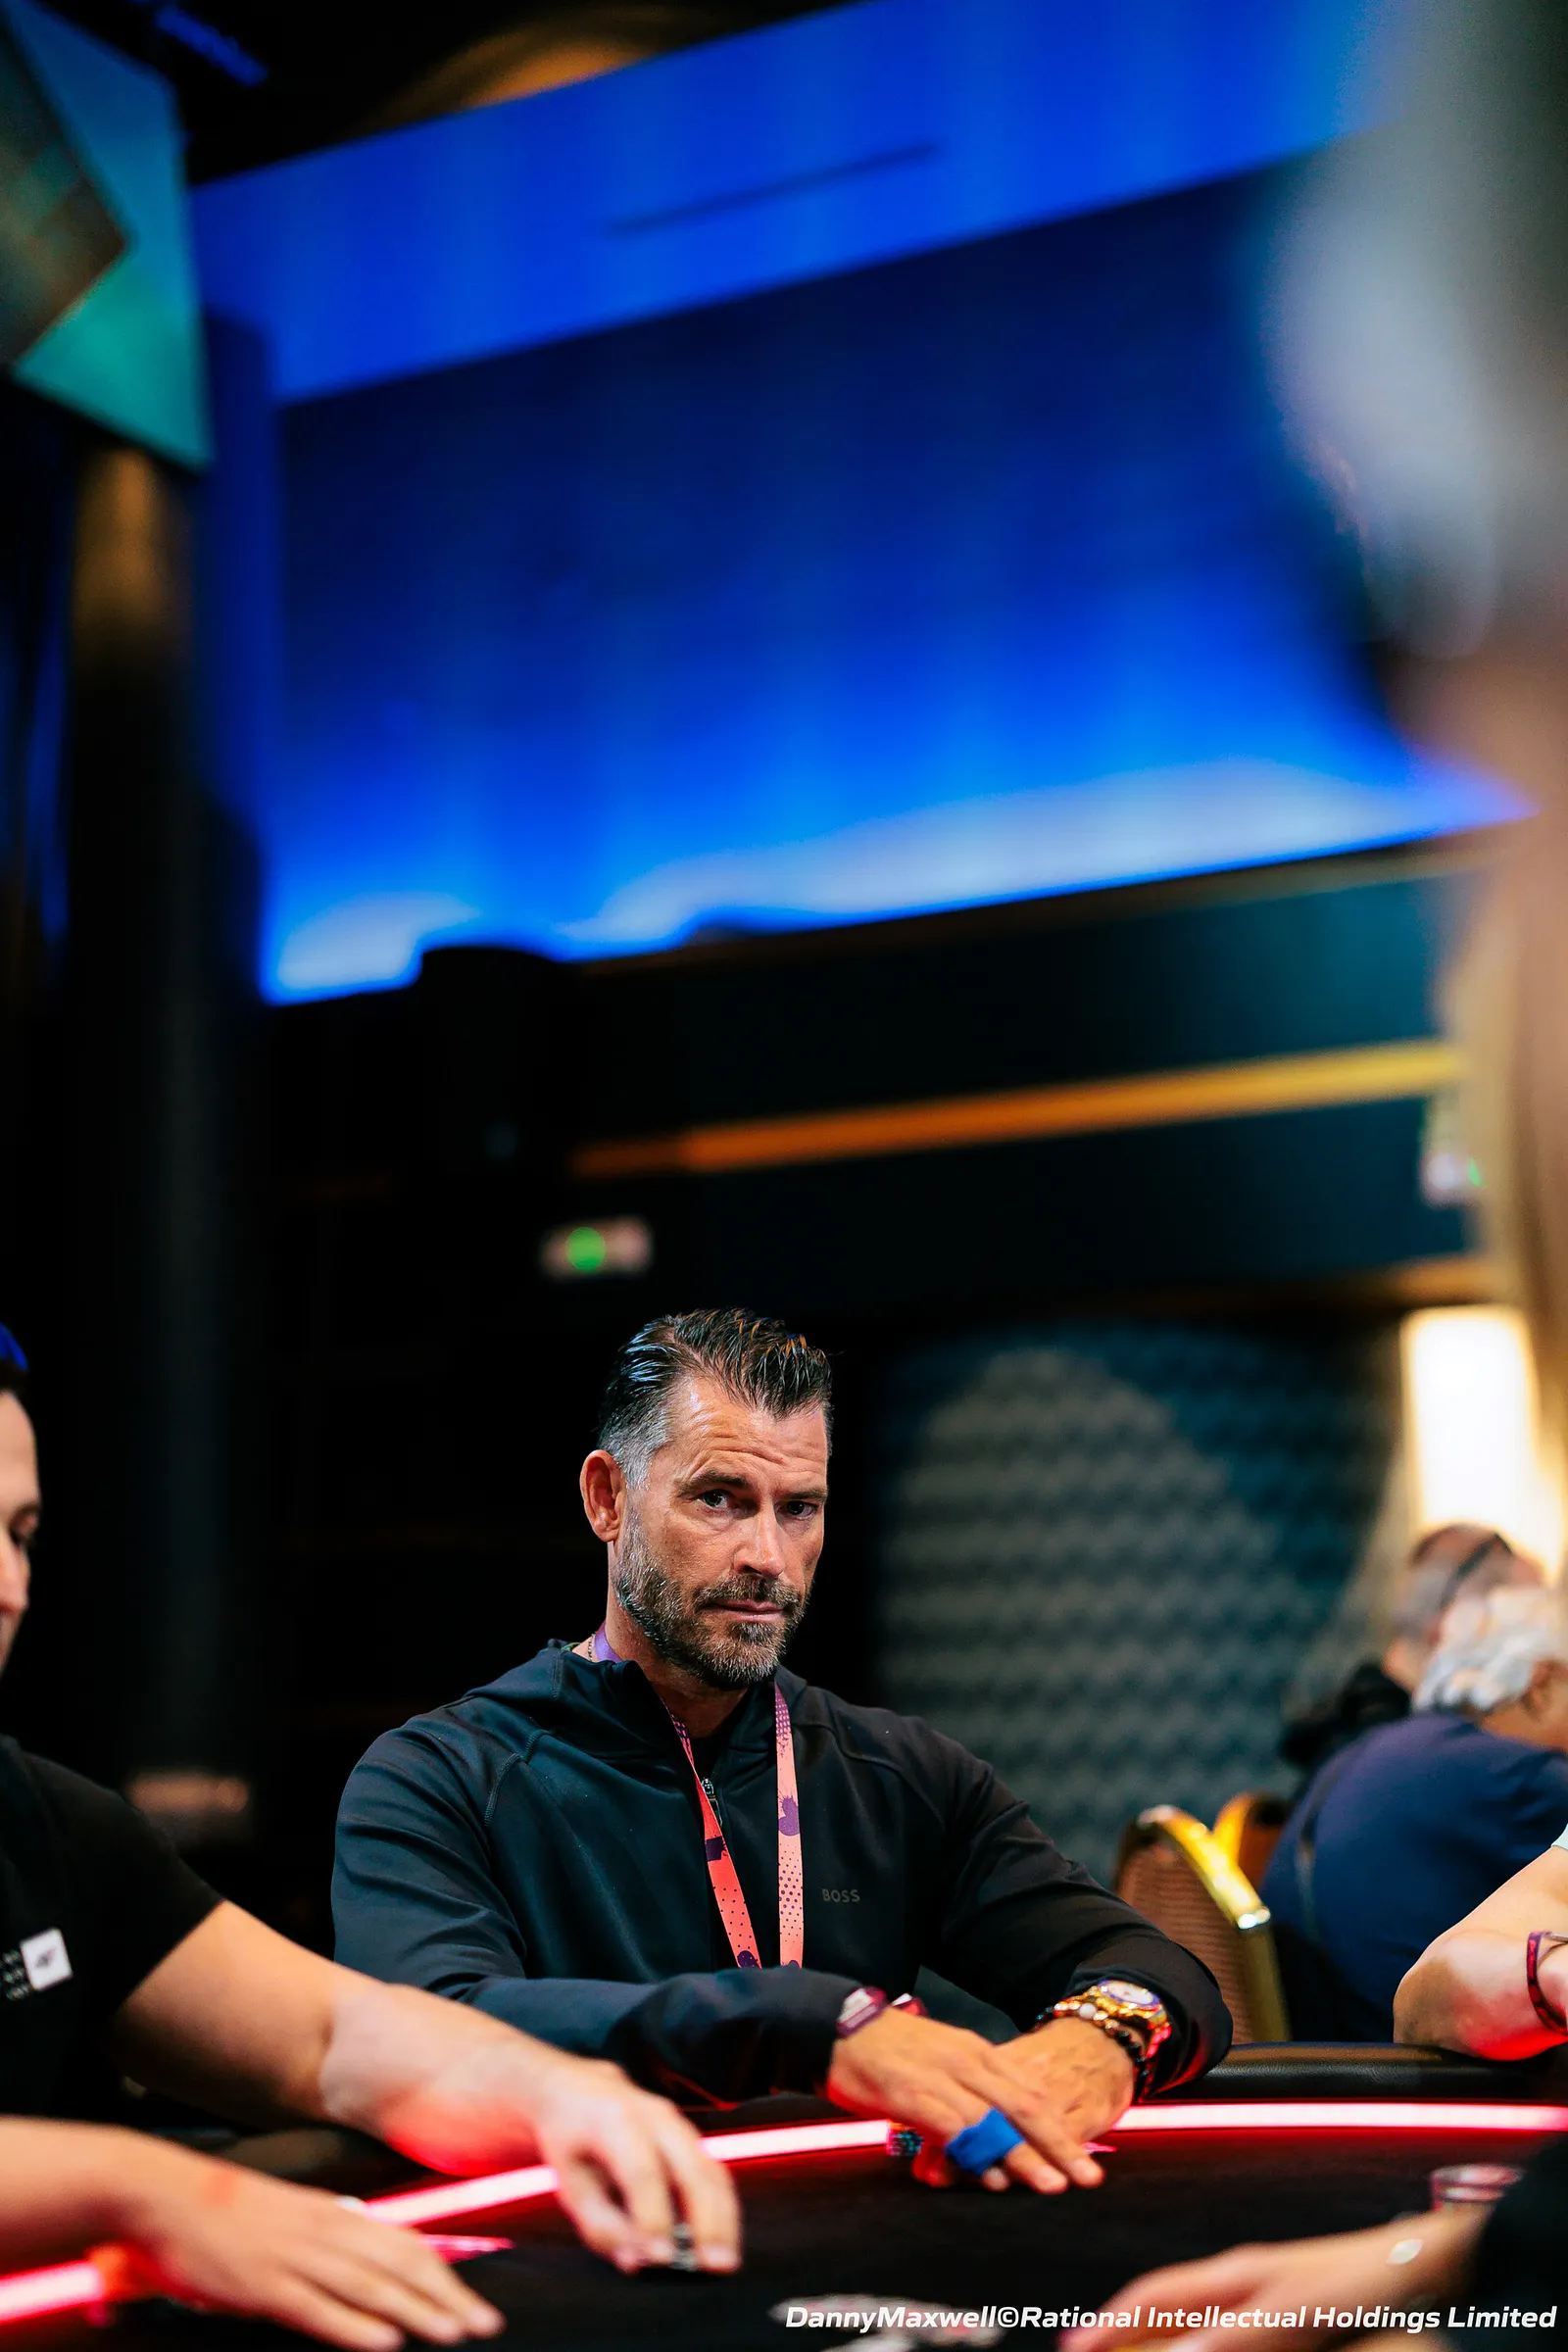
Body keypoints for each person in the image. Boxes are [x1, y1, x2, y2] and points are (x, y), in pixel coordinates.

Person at [334, 1308, 1230, 2199]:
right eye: (718, 1499)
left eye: (799, 1508)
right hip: (594, 2253)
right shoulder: (441, 1778)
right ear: (608, 1499)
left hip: (851, 2253)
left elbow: (1161, 1971)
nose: (768, 1556)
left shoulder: (898, 1774)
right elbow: (428, 2032)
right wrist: (803, 2025)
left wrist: (1100, 2043)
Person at [0, 1330, 740, 2339]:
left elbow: (328, 2037)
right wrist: (150, 2191)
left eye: (21, 1533)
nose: (11, 1586)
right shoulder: (436, 1766)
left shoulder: (46, 1821)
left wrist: (554, 2091)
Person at [1263, 1587, 1568, 2037]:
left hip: (1313, 2047)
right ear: (1541, 1686)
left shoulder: (1380, 1747)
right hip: (1405, 2055)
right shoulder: (1522, 1775)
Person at [1280, 1525, 1542, 1774]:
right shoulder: (1406, 1752)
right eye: (1521, 1622)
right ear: (1449, 1620)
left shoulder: (1354, 1731)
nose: (1540, 1657)